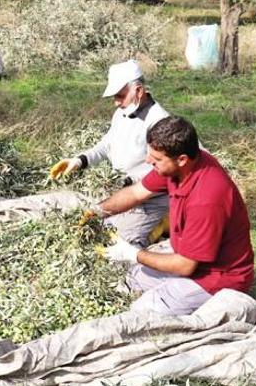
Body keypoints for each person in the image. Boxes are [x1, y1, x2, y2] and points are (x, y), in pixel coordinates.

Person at [95, 116, 254, 315]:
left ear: (182, 160)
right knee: (128, 280)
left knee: (141, 312)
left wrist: (134, 254)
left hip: (215, 279)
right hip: (186, 257)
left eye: (157, 158)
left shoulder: (207, 198)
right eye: (149, 153)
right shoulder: (177, 169)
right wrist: (96, 212)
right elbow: (136, 193)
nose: (147, 160)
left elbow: (185, 265)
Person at [50, 60, 170, 247]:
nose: (116, 102)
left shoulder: (159, 122)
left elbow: (162, 170)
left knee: (118, 243)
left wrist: (127, 181)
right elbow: (107, 145)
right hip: (122, 191)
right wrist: (81, 160)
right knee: (91, 225)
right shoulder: (123, 113)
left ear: (138, 91)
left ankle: (162, 224)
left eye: (120, 96)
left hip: (150, 199)